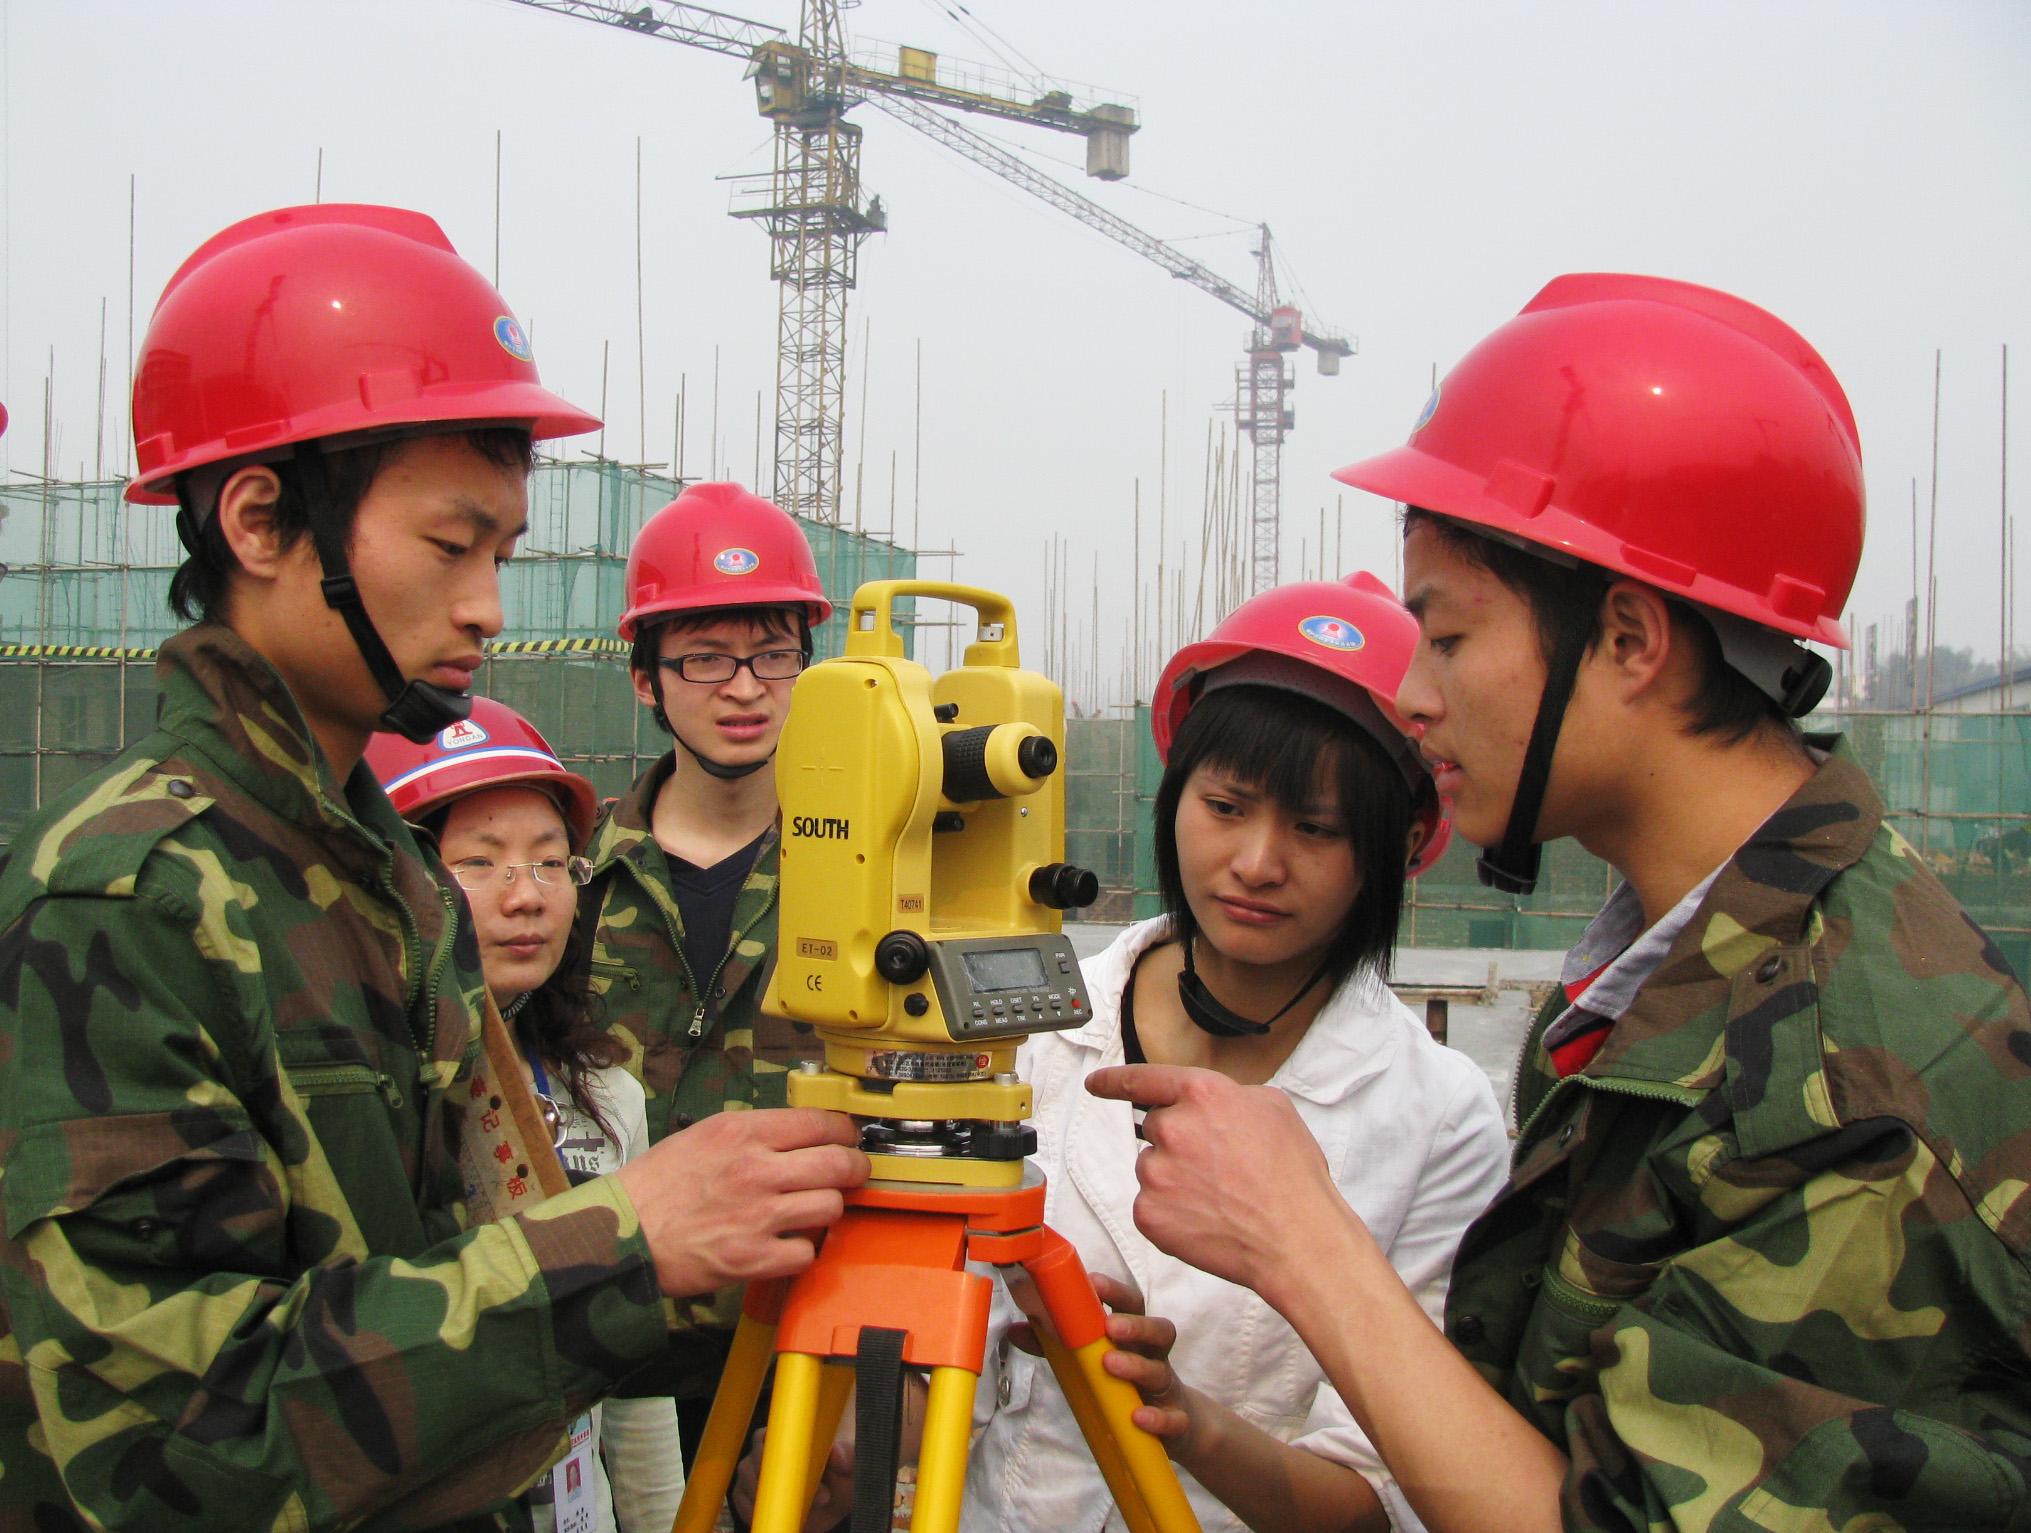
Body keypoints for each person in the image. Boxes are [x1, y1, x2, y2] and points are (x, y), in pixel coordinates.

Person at [1089, 275, 2031, 1531]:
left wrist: (1300, 1244)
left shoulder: (1844, 1089)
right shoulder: (1671, 976)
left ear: (1632, 639)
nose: (1414, 698)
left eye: (1452, 638)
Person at [0, 204, 865, 1533]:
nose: (486, 606)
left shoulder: (385, 886)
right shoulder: (129, 897)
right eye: (450, 547)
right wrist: (622, 1240)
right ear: (258, 520)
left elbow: (453, 1286)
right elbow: (167, 1446)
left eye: (502, 555)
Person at [963, 573, 1508, 1533]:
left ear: (1404, 840)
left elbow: (1378, 1501)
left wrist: (1183, 1417)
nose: (1257, 862)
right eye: (1225, 806)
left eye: (1315, 828)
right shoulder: (1034, 1024)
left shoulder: (1438, 1114)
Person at [367, 697, 684, 1533]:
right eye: (480, 863)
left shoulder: (606, 1094)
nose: (526, 897)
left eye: (551, 863)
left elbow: (631, 1371)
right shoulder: (366, 1104)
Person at [580, 481, 834, 1445]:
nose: (743, 687)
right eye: (705, 658)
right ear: (646, 678)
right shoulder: (574, 884)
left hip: (806, 1356)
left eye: (774, 655)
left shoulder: (863, 885)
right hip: (604, 1365)